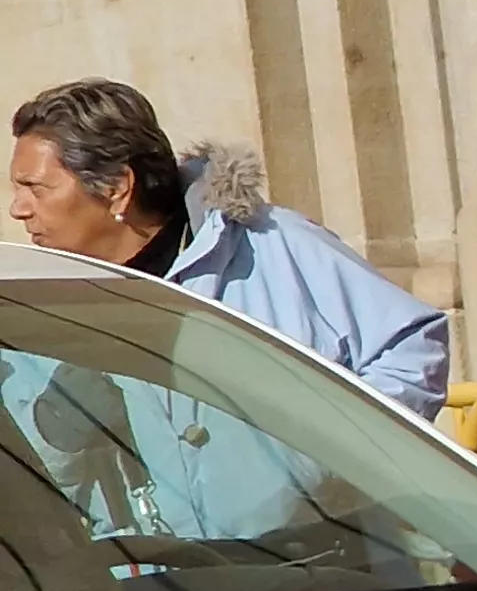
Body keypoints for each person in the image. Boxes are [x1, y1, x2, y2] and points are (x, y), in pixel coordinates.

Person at [7, 78, 446, 414]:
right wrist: (61, 431)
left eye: (35, 188)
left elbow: (411, 347)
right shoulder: (54, 300)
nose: (17, 209)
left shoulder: (272, 244)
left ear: (117, 188)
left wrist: (342, 459)